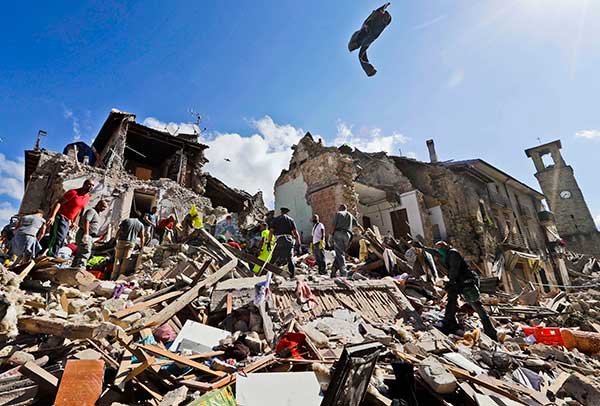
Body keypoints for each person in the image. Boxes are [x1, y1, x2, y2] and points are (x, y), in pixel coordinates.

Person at [417, 241, 498, 341]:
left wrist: (450, 281)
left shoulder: (453, 253)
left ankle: (491, 331)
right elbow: (435, 253)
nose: (439, 251)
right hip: (458, 282)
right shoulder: (446, 253)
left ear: (446, 247)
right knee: (452, 299)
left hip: (466, 282)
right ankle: (449, 322)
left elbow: (454, 270)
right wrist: (423, 248)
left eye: (440, 248)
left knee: (476, 305)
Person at [47, 179, 95, 256]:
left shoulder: (87, 198)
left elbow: (78, 209)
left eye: (93, 186)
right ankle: (51, 256)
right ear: (84, 184)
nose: (91, 187)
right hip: (60, 216)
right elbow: (59, 203)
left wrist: (74, 221)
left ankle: (54, 255)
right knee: (57, 237)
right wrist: (52, 216)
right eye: (89, 184)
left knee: (62, 239)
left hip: (67, 220)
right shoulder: (73, 192)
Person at [72, 200, 108, 269]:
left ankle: (74, 268)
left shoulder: (97, 214)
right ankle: (80, 268)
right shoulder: (91, 211)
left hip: (89, 235)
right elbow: (86, 220)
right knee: (85, 252)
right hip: (85, 233)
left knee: (80, 252)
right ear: (98, 205)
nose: (104, 209)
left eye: (105, 208)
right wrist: (86, 234)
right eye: (103, 207)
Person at [331, 204, 363, 277]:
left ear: (340, 208)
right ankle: (334, 269)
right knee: (340, 253)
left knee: (339, 253)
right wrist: (363, 232)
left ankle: (343, 271)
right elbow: (358, 225)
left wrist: (330, 236)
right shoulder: (350, 215)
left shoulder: (338, 214)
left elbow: (333, 226)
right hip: (348, 235)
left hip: (338, 233)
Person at [111, 211, 145, 280]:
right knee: (125, 260)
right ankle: (120, 277)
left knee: (118, 259)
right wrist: (142, 246)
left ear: (132, 214)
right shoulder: (140, 224)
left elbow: (119, 231)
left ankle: (113, 276)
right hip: (131, 243)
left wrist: (115, 239)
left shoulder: (126, 221)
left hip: (122, 241)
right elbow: (142, 236)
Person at [269, 207, 301, 277]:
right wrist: (299, 244)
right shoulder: (290, 220)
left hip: (279, 240)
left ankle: (269, 274)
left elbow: (271, 232)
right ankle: (292, 275)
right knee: (290, 259)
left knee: (273, 258)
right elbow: (295, 233)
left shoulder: (276, 220)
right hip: (288, 241)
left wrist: (269, 242)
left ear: (281, 212)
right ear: (287, 213)